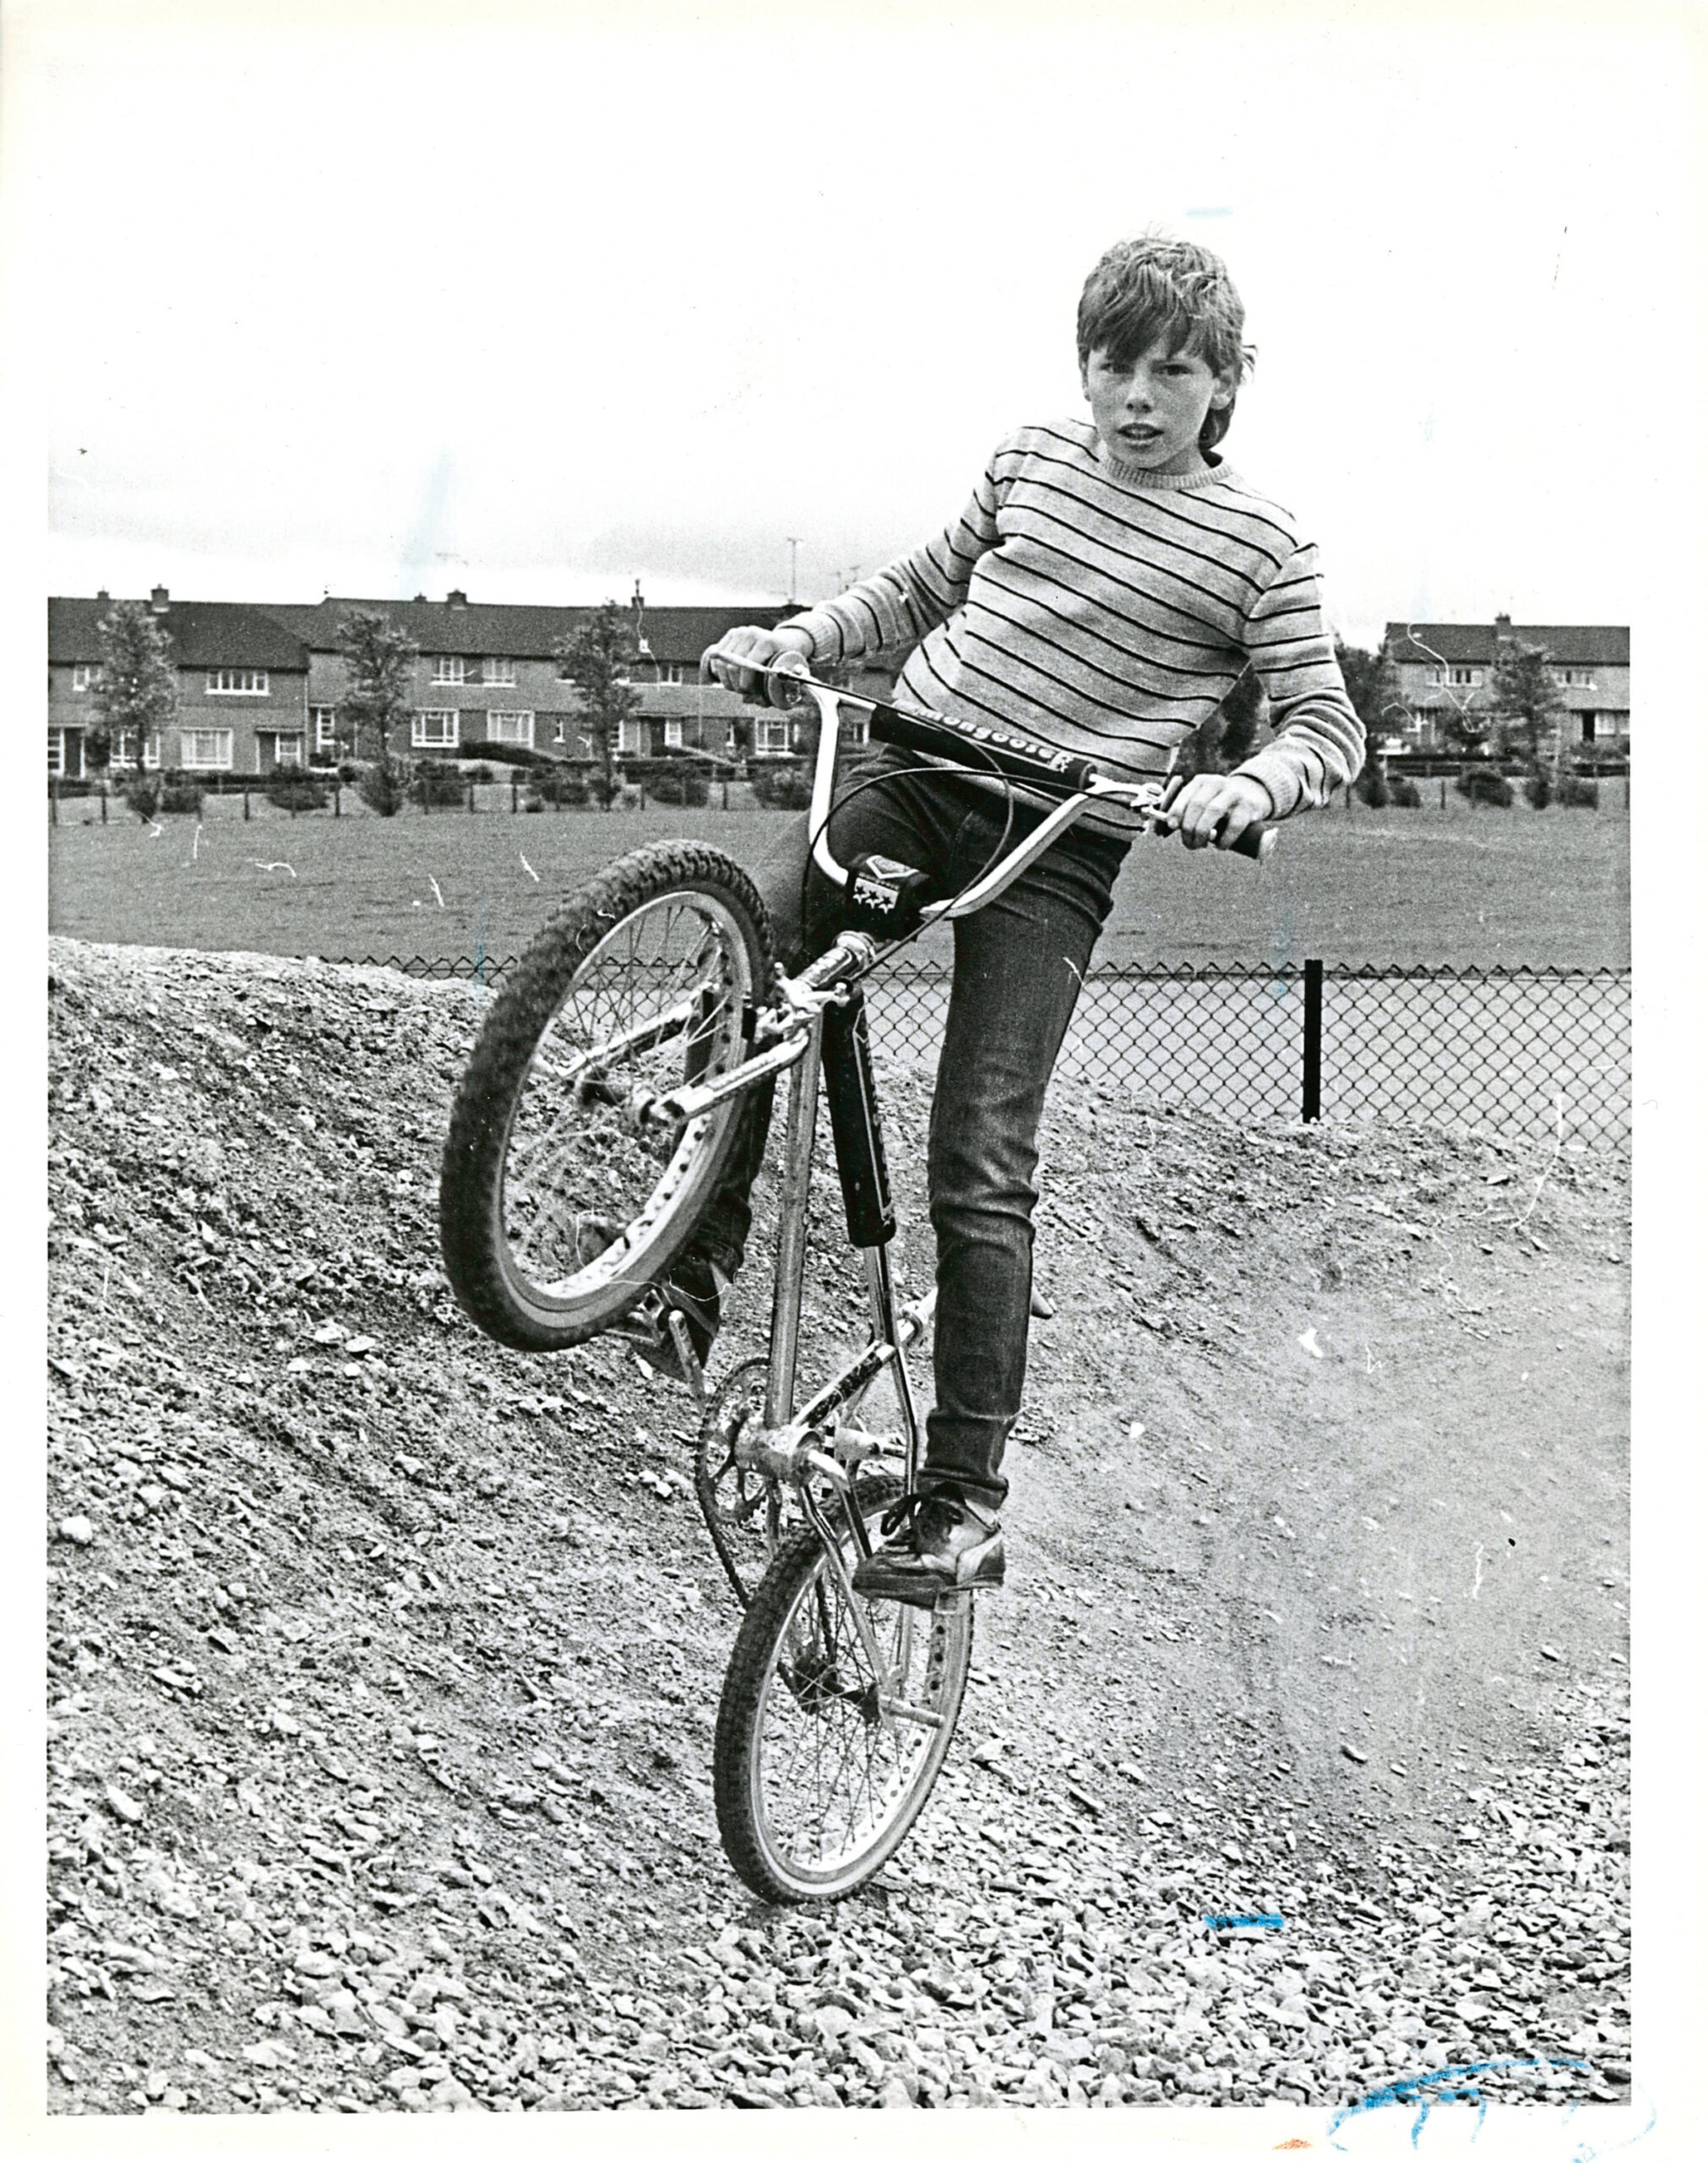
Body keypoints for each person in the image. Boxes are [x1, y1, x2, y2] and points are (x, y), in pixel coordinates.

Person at [663, 234, 1364, 1605]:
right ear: (1083, 369)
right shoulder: (1030, 460)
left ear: (1226, 384)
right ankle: (687, 1272)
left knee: (979, 1145)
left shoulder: (1263, 547)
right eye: (1115, 364)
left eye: (1175, 370)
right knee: (757, 960)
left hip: (1056, 838)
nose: (1138, 397)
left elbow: (1322, 718)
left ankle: (962, 1494)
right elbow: (917, 589)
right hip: (914, 768)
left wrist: (1245, 781)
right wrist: (806, 637)